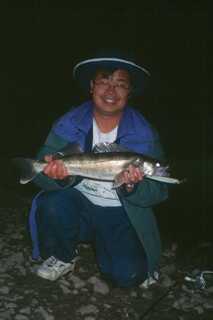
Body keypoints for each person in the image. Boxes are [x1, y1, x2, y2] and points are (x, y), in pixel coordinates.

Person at [29, 50, 168, 287]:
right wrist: (58, 177)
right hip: (78, 206)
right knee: (51, 203)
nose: (111, 91)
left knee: (127, 277)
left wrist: (133, 187)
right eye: (104, 82)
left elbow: (159, 192)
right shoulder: (69, 122)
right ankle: (64, 255)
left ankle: (112, 247)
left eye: (120, 84)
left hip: (120, 214)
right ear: (92, 87)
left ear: (129, 92)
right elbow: (40, 176)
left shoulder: (145, 134)